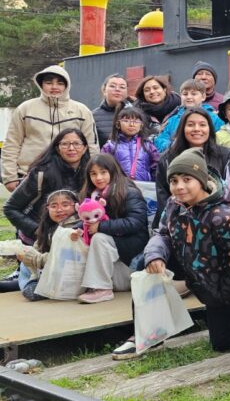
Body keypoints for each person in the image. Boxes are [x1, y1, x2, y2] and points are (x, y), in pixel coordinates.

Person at [144, 148, 230, 352]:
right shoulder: (174, 204)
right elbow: (163, 233)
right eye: (174, 181)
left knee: (223, 341)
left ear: (202, 180)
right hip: (190, 267)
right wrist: (155, 255)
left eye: (187, 179)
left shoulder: (224, 216)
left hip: (219, 285)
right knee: (147, 268)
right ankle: (147, 334)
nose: (179, 186)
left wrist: (222, 297)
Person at [2, 65, 98, 193]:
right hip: (28, 176)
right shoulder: (25, 109)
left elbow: (92, 146)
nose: (54, 87)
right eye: (49, 83)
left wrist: (93, 175)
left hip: (70, 178)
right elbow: (12, 144)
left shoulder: (82, 111)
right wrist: (10, 178)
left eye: (60, 83)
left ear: (67, 86)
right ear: (41, 85)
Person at [153, 107, 230, 228]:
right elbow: (163, 197)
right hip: (179, 223)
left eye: (202, 125)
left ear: (210, 129)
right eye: (190, 125)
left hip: (221, 223)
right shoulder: (167, 159)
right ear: (182, 128)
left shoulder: (227, 157)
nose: (197, 129)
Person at [76, 154, 150, 304]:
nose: (98, 177)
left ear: (113, 171)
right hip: (116, 258)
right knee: (76, 238)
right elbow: (89, 221)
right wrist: (78, 230)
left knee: (100, 238)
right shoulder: (92, 196)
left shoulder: (129, 192)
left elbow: (135, 222)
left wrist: (100, 227)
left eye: (103, 172)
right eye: (93, 174)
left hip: (132, 259)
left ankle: (102, 289)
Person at [4, 129, 92, 245]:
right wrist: (38, 231)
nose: (71, 148)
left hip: (73, 240)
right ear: (57, 148)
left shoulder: (91, 174)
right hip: (38, 242)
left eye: (76, 143)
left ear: (85, 148)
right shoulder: (42, 173)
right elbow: (10, 208)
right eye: (65, 144)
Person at [15, 189, 81, 301]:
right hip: (50, 270)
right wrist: (26, 253)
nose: (59, 210)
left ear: (76, 206)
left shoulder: (76, 228)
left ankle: (31, 285)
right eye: (54, 206)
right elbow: (37, 248)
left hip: (71, 274)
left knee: (27, 261)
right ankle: (31, 284)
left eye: (65, 205)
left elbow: (63, 260)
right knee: (26, 256)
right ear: (47, 208)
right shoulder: (49, 228)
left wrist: (31, 258)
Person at [154, 80, 224, 152]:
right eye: (185, 94)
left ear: (203, 97)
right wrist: (174, 146)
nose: (189, 97)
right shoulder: (172, 120)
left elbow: (220, 140)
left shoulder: (214, 119)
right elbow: (161, 140)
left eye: (193, 94)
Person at [101, 106, 160, 182]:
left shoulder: (147, 145)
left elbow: (156, 167)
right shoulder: (110, 146)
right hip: (118, 186)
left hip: (144, 186)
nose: (131, 124)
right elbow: (103, 167)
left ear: (141, 126)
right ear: (118, 124)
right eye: (126, 121)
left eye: (136, 121)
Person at [91, 74, 133, 146]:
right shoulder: (92, 116)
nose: (117, 89)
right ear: (104, 90)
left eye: (122, 87)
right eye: (112, 86)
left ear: (127, 92)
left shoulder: (136, 114)